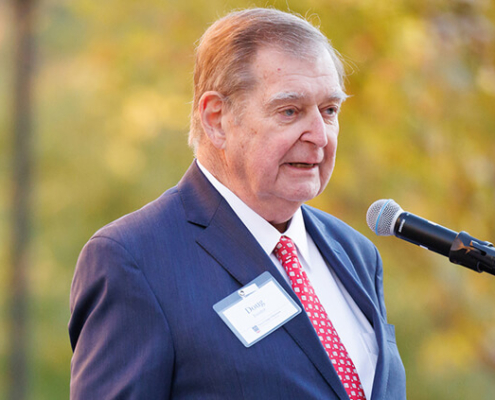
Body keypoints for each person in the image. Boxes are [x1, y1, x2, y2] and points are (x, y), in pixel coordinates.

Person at [69, 8, 406, 400]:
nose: (319, 135)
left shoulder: (356, 253)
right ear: (217, 119)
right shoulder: (134, 260)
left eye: (329, 110)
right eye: (290, 111)